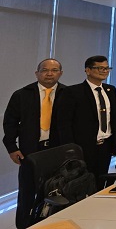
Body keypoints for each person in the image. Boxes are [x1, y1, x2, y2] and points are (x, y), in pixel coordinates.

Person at [2, 59, 65, 229]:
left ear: (60, 73)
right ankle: (24, 225)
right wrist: (12, 148)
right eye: (44, 70)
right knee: (27, 192)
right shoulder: (22, 95)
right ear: (37, 73)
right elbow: (10, 123)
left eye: (54, 70)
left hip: (58, 150)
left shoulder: (68, 94)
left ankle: (51, 223)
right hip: (30, 151)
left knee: (56, 189)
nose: (49, 74)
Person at [56, 55, 116, 180]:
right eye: (99, 68)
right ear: (88, 70)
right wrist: (70, 148)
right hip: (83, 146)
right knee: (83, 182)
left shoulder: (110, 90)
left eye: (107, 68)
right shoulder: (73, 91)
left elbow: (113, 118)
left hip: (105, 145)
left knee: (101, 180)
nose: (104, 71)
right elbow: (64, 123)